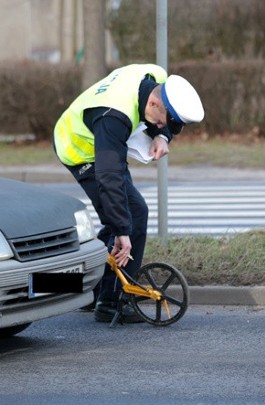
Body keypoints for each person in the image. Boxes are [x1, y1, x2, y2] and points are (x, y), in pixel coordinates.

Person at [53, 64, 204, 322]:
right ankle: (111, 303)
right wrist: (122, 230)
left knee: (130, 214)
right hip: (80, 150)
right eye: (158, 121)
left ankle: (82, 287)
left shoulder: (156, 77)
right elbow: (108, 178)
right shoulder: (113, 117)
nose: (157, 125)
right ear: (155, 103)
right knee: (129, 217)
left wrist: (162, 136)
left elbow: (162, 119)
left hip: (105, 144)